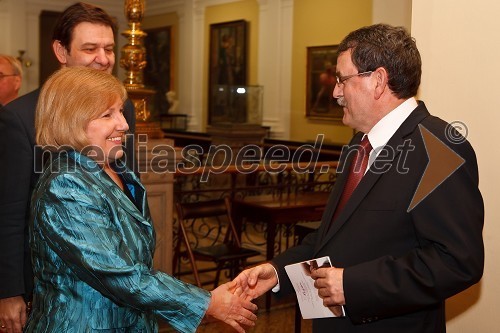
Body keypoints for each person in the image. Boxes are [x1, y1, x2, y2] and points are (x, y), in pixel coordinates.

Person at [232, 23, 484, 333]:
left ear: (377, 81)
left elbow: (457, 262)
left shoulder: (439, 147)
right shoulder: (358, 145)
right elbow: (333, 238)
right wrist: (278, 272)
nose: (335, 91)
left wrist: (352, 286)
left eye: (342, 79)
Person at [23, 66, 257, 333]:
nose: (124, 124)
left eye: (121, 111)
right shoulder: (66, 184)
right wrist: (206, 303)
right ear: (70, 121)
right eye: (107, 114)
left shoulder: (115, 167)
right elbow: (115, 272)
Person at [0, 3, 136, 332]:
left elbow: (129, 186)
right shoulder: (19, 118)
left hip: (116, 284)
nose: (102, 58)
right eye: (90, 48)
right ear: (61, 51)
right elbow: (9, 211)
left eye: (108, 48)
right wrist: (8, 292)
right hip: (52, 292)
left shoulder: (123, 107)